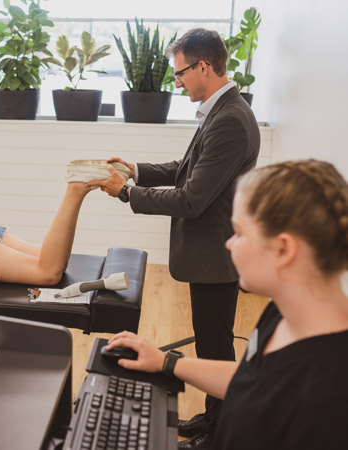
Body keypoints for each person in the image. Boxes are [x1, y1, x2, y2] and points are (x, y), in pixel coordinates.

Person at [86, 28, 261, 448]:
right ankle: (213, 418)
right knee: (211, 340)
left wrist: (127, 192)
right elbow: (187, 170)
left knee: (216, 346)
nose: (176, 82)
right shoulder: (221, 111)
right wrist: (136, 169)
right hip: (210, 252)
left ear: (204, 66)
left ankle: (221, 432)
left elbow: (191, 198)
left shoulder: (232, 120)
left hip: (216, 255)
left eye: (180, 73)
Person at [105, 159, 348, 450]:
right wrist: (166, 363)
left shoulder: (328, 391)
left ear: (284, 249)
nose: (229, 244)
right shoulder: (284, 313)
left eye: (240, 233)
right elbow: (254, 378)